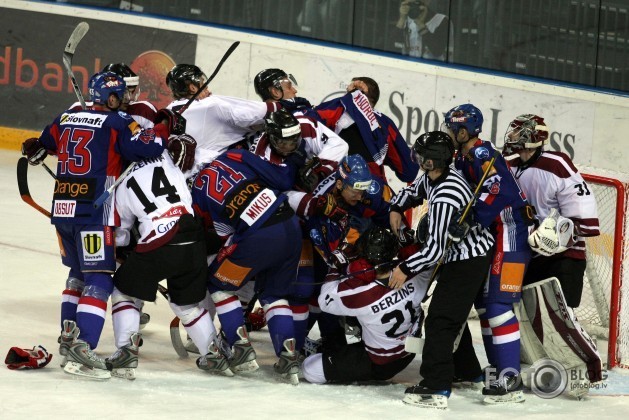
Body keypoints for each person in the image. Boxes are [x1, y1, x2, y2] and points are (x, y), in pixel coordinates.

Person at [20, 71, 166, 379]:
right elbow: (148, 149)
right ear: (111, 97)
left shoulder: (66, 116)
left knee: (77, 275)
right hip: (94, 214)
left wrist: (35, 147)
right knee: (99, 279)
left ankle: (68, 336)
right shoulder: (117, 122)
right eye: (120, 95)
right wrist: (162, 131)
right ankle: (83, 348)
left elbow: (41, 144)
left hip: (62, 209)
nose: (125, 100)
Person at [387, 131, 495, 409]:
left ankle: (436, 385)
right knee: (451, 315)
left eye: (421, 156)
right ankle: (468, 369)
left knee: (440, 319)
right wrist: (397, 207)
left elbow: (434, 251)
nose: (417, 159)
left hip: (469, 260)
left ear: (433, 162)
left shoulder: (447, 194)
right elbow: (413, 190)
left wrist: (404, 268)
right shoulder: (434, 176)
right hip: (458, 256)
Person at [502, 114, 603, 394]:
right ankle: (535, 367)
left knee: (562, 318)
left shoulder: (557, 164)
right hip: (524, 255)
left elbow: (584, 217)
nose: (512, 138)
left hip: (563, 257)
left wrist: (556, 236)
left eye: (518, 133)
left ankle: (584, 374)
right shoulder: (508, 165)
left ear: (533, 137)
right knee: (523, 315)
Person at [443, 104, 535, 403]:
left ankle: (510, 377)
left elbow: (501, 191)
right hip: (491, 235)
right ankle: (497, 372)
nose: (447, 132)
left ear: (463, 131)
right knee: (484, 306)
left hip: (511, 234)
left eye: (450, 128)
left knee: (497, 305)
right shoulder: (463, 156)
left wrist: (470, 218)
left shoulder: (483, 154)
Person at [191, 148, 303, 385]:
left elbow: (224, 233)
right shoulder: (229, 159)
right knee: (275, 295)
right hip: (290, 225)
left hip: (259, 236)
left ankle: (239, 347)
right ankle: (289, 357)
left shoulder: (197, 188)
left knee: (218, 283)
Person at [301, 225, 425, 384]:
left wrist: (335, 267)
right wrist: (410, 246)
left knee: (309, 368)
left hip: (379, 363)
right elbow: (427, 260)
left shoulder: (362, 294)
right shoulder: (416, 275)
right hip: (408, 353)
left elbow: (325, 300)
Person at [254, 69, 419, 184]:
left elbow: (308, 121)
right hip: (375, 195)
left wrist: (351, 98)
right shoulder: (386, 124)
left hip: (338, 191)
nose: (295, 90)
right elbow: (409, 171)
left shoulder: (341, 108)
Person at [164, 64, 282, 177]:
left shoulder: (168, 111)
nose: (207, 88)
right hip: (211, 175)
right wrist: (290, 103)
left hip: (177, 180)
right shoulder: (209, 104)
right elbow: (260, 113)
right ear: (193, 87)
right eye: (202, 82)